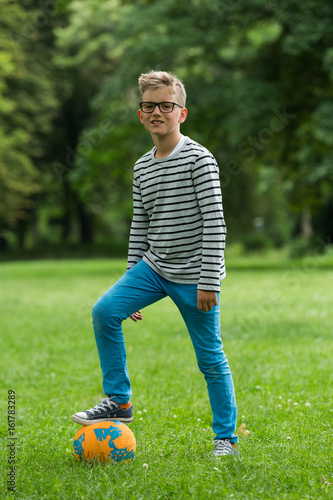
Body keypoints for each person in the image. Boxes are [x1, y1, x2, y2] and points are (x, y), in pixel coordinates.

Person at [72, 70, 239, 457]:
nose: (157, 112)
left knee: (210, 357)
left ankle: (225, 438)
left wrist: (209, 281)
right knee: (105, 311)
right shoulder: (142, 166)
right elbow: (141, 222)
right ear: (140, 114)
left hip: (194, 275)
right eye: (150, 106)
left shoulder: (200, 159)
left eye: (167, 105)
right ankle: (119, 401)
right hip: (154, 267)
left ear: (182, 113)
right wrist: (133, 273)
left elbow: (215, 222)